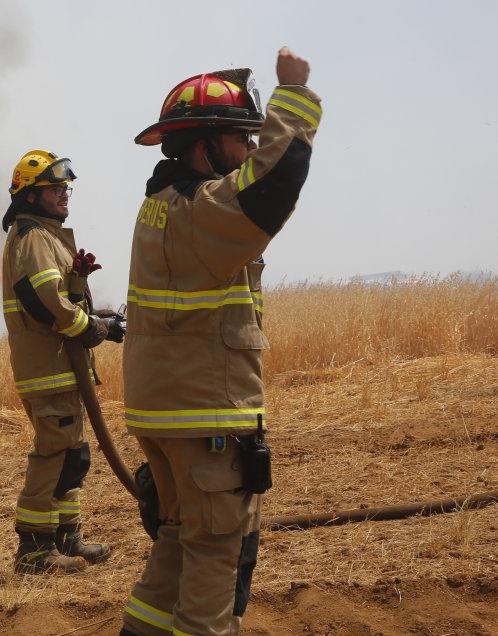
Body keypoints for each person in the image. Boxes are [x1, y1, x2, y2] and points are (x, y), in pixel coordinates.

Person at [119, 48, 321, 635]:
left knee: (179, 550)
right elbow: (272, 187)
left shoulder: (159, 207)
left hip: (169, 417)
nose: (251, 148)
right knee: (214, 565)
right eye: (240, 137)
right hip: (205, 421)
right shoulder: (200, 211)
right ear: (204, 145)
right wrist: (294, 97)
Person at [0, 149, 125, 574]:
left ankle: (66, 538)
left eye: (64, 187)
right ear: (31, 196)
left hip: (61, 368)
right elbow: (44, 303)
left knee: (73, 455)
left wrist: (90, 301)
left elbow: (61, 296)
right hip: (48, 369)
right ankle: (33, 551)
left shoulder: (46, 235)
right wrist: (93, 328)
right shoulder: (32, 237)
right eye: (54, 188)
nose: (63, 194)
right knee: (53, 456)